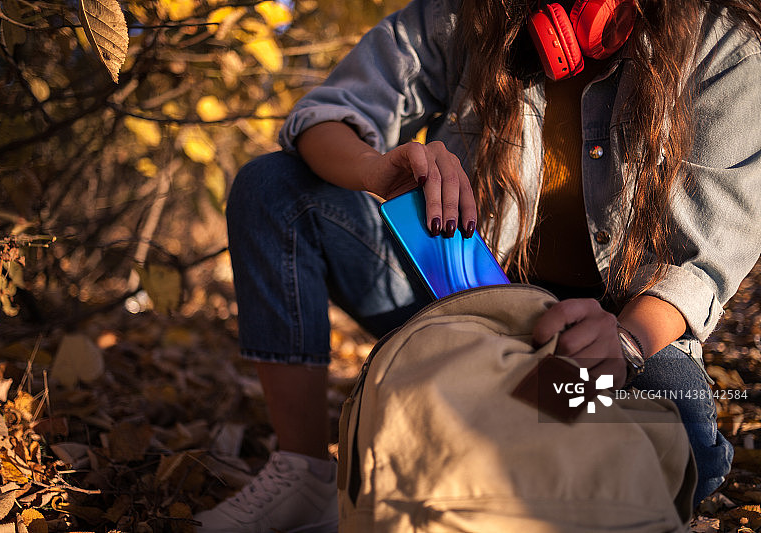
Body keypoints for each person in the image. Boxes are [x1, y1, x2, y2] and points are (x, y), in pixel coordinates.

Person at [195, 0, 761, 531]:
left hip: (618, 336)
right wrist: (375, 169)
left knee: (680, 450)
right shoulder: (465, 15)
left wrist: (626, 342)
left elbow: (703, 260)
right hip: (461, 306)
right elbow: (325, 116)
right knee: (274, 188)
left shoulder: (726, 49)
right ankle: (305, 474)